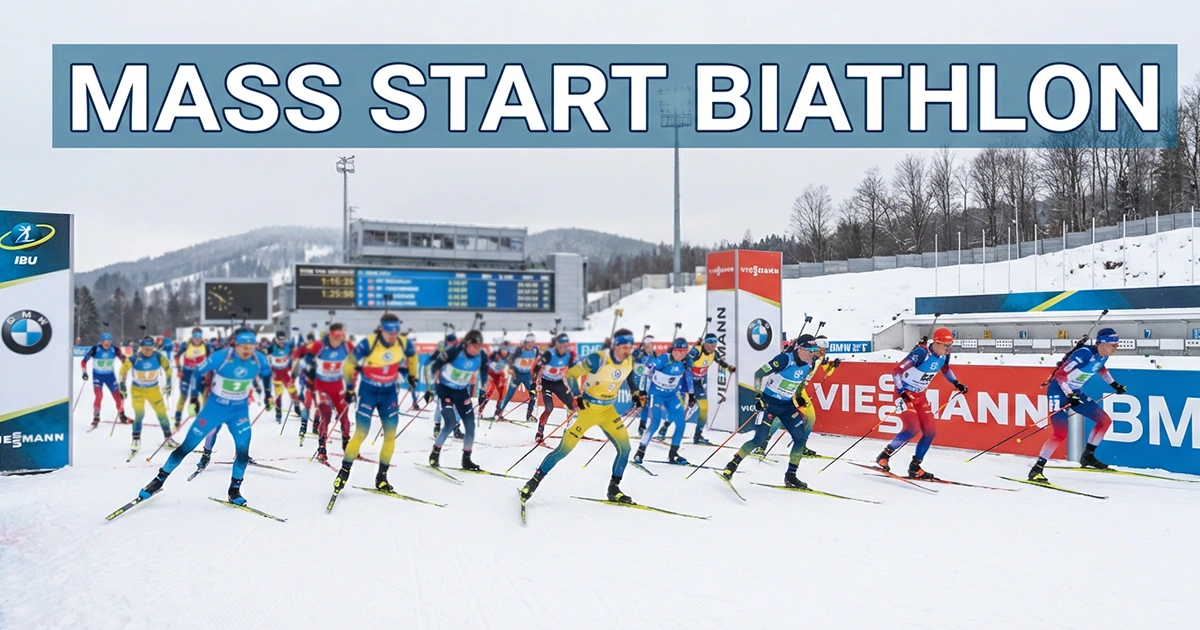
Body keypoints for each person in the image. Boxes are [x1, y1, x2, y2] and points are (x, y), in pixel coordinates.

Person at [136, 328, 273, 506]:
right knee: (186, 447)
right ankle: (159, 480)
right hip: (214, 409)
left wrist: (268, 394)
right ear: (235, 345)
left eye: (251, 345)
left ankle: (234, 490)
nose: (247, 349)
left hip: (238, 412)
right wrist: (194, 398)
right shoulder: (221, 357)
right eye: (243, 345)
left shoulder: (259, 358)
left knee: (242, 452)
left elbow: (267, 375)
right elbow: (198, 373)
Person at [520, 329, 644, 504]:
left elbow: (630, 375)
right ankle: (533, 482)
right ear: (615, 346)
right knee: (564, 450)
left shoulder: (629, 360)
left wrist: (636, 393)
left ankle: (613, 489)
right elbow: (572, 374)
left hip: (608, 410)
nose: (627, 351)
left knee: (625, 449)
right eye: (624, 347)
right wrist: (577, 396)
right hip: (589, 410)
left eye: (630, 347)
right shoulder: (598, 358)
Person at [718, 334, 824, 489]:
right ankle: (732, 465)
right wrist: (758, 397)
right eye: (810, 349)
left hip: (787, 405)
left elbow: (799, 381)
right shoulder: (784, 360)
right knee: (759, 440)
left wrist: (798, 395)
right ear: (800, 348)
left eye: (815, 349)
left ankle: (791, 476)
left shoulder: (811, 363)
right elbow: (759, 374)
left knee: (800, 438)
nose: (813, 353)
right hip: (769, 403)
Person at [334, 314, 419, 493]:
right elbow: (349, 364)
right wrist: (349, 388)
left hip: (388, 394)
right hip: (368, 391)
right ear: (382, 329)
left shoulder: (403, 343)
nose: (393, 335)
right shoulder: (369, 343)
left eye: (396, 331)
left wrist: (413, 375)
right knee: (361, 433)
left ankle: (382, 477)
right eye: (389, 331)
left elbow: (413, 357)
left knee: (390, 435)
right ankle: (344, 471)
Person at [1028, 328, 1125, 482]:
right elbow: (1060, 376)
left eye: (1117, 344)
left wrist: (1114, 385)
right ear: (1102, 343)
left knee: (1104, 421)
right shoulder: (1084, 354)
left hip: (1074, 392)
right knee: (1060, 433)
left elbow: (1100, 368)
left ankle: (1088, 457)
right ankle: (1037, 469)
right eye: (1113, 345)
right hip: (1058, 391)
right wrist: (1069, 395)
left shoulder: (1103, 356)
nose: (1116, 348)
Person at [875, 327, 968, 480]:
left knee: (930, 432)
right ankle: (884, 455)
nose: (948, 349)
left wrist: (956, 383)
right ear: (937, 343)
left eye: (950, 346)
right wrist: (901, 391)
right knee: (913, 428)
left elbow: (945, 370)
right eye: (946, 346)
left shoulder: (944, 355)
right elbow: (896, 371)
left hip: (920, 395)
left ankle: (915, 467)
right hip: (904, 394)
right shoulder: (922, 353)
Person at [426, 330, 489, 471]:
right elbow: (435, 366)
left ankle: (466, 459)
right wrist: (431, 389)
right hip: (445, 391)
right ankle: (435, 452)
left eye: (479, 347)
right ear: (467, 344)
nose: (476, 350)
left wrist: (483, 390)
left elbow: (484, 370)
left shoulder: (481, 355)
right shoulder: (454, 351)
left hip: (461, 392)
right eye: (474, 346)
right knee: (449, 423)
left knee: (470, 427)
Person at [659, 332, 734, 445]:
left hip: (697, 383)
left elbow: (721, 362)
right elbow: (686, 365)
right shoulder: (696, 351)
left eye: (714, 344)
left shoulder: (713, 353)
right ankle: (663, 429)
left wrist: (729, 368)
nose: (712, 347)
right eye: (709, 344)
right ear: (704, 343)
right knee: (680, 408)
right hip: (685, 381)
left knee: (704, 408)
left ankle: (697, 436)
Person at [295, 323, 354, 462]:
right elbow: (301, 351)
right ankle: (322, 447)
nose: (338, 340)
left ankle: (347, 445)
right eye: (336, 337)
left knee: (345, 417)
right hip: (321, 386)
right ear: (330, 335)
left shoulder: (347, 346)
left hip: (338, 386)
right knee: (325, 414)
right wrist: (309, 365)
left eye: (341, 337)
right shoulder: (319, 345)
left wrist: (350, 388)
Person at [634, 337, 694, 465]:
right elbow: (646, 372)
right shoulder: (663, 359)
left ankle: (673, 454)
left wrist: (692, 395)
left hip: (671, 395)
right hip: (657, 396)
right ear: (673, 350)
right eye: (679, 351)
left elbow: (688, 378)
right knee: (655, 423)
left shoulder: (685, 362)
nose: (682, 354)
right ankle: (640, 452)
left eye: (684, 352)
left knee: (681, 423)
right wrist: (642, 392)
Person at [118, 336, 178, 453]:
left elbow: (168, 369)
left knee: (162, 414)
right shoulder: (135, 358)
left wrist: (169, 383)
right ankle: (135, 440)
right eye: (145, 349)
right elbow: (123, 371)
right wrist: (122, 384)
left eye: (150, 348)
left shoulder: (158, 357)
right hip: (137, 390)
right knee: (139, 414)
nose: (148, 351)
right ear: (141, 348)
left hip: (153, 390)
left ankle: (168, 439)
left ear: (153, 348)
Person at [532, 334, 578, 442]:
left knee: (573, 406)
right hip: (546, 382)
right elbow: (537, 367)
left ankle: (569, 430)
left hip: (558, 382)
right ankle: (540, 431)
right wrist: (535, 382)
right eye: (561, 346)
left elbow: (573, 371)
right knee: (549, 407)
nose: (563, 348)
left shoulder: (569, 355)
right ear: (557, 345)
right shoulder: (549, 354)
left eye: (565, 346)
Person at [82, 332, 129, 427]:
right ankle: (96, 416)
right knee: (99, 396)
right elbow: (84, 361)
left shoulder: (115, 349)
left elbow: (124, 361)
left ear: (111, 342)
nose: (106, 344)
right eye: (104, 342)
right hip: (98, 376)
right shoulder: (95, 349)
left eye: (108, 342)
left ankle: (122, 415)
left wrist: (127, 364)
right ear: (101, 342)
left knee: (117, 396)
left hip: (110, 376)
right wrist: (84, 372)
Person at [496, 334, 540, 422]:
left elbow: (537, 363)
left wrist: (536, 375)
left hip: (527, 375)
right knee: (509, 394)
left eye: (532, 342)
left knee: (533, 394)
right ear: (525, 342)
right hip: (517, 374)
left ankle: (529, 415)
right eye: (528, 342)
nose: (530, 344)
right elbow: (510, 361)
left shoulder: (535, 350)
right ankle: (499, 413)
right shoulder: (519, 350)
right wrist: (511, 370)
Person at [174, 327, 213, 428]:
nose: (197, 338)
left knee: (205, 395)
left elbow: (210, 359)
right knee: (183, 395)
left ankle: (205, 419)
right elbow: (177, 356)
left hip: (200, 374)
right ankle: (177, 420)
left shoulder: (205, 345)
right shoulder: (186, 344)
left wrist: (209, 372)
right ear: (192, 336)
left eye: (199, 336)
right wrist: (179, 370)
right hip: (187, 373)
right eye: (195, 336)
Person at [266, 331, 300, 423]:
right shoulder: (271, 347)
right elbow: (264, 357)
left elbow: (295, 355)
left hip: (285, 372)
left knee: (293, 391)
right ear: (276, 340)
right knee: (279, 394)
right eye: (279, 341)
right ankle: (278, 412)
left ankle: (297, 407)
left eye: (283, 341)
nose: (281, 343)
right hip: (276, 373)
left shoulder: (289, 345)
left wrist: (293, 368)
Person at [631, 335, 659, 435]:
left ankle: (645, 426)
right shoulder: (640, 355)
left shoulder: (654, 356)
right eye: (646, 344)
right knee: (643, 404)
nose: (647, 346)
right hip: (639, 383)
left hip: (648, 383)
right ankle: (642, 426)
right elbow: (638, 371)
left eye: (649, 344)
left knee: (649, 405)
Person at [477, 340, 511, 419]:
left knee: (502, 393)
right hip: (492, 374)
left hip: (501, 376)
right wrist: (496, 367)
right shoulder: (495, 354)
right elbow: (487, 363)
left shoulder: (509, 356)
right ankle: (480, 410)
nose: (504, 351)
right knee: (490, 391)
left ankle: (497, 412)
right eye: (503, 349)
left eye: (506, 349)